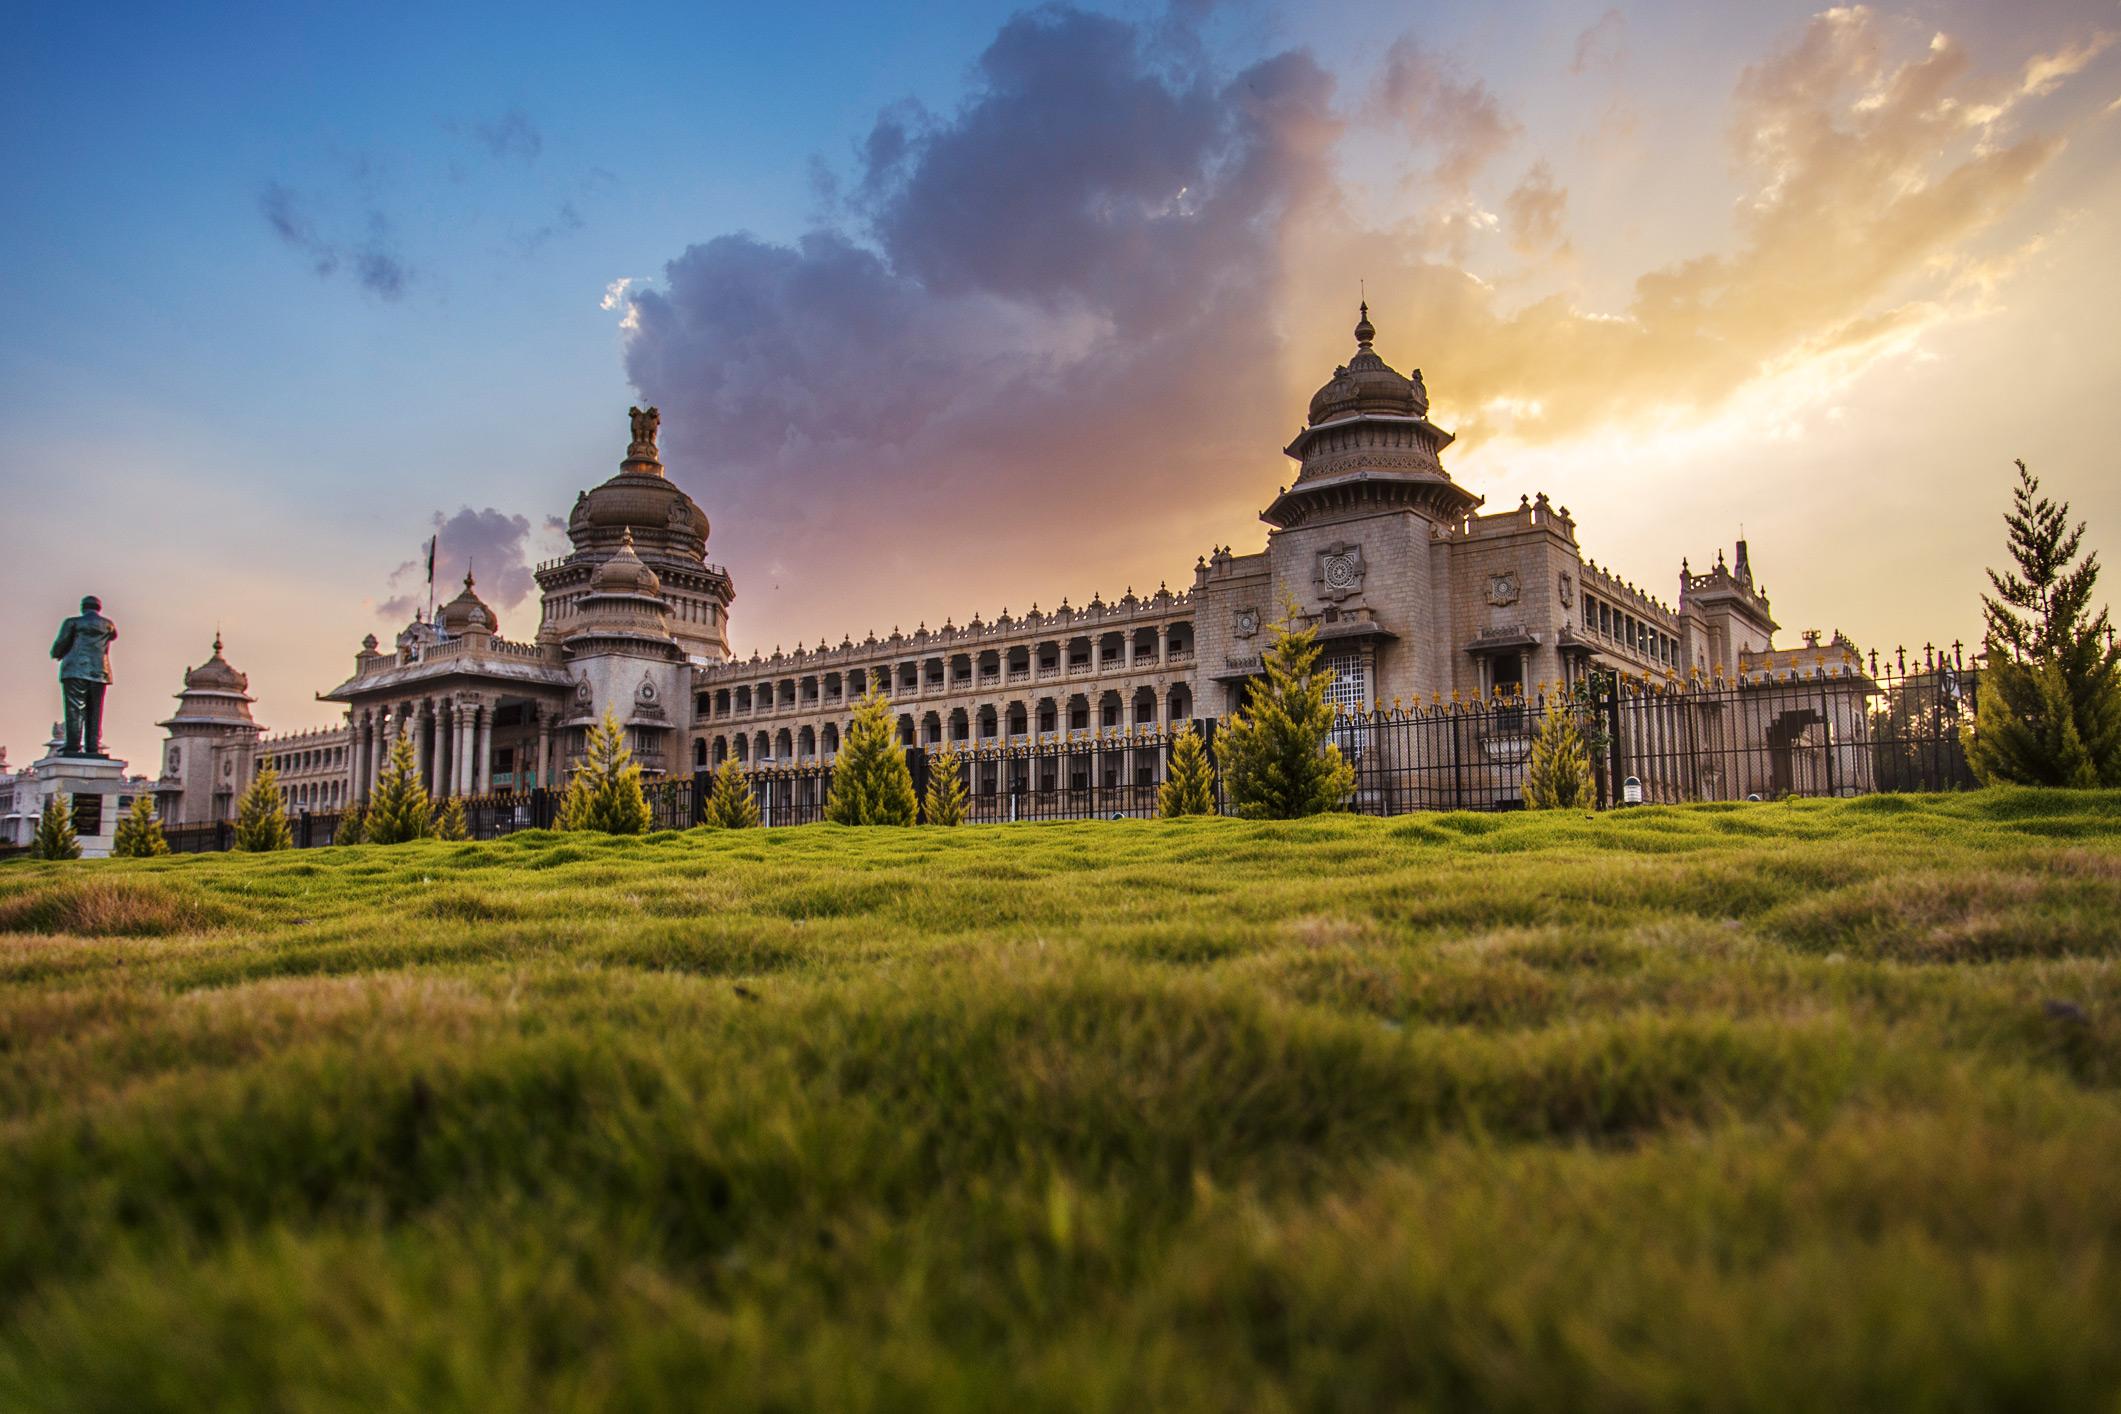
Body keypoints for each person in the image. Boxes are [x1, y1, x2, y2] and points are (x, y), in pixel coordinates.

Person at [50, 595, 117, 757]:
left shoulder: (73, 622)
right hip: (100, 671)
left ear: (83, 607)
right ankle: (93, 746)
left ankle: (73, 746)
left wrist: (58, 653)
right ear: (98, 608)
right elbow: (113, 636)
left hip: (75, 669)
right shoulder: (108, 625)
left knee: (74, 708)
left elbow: (60, 645)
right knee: (95, 709)